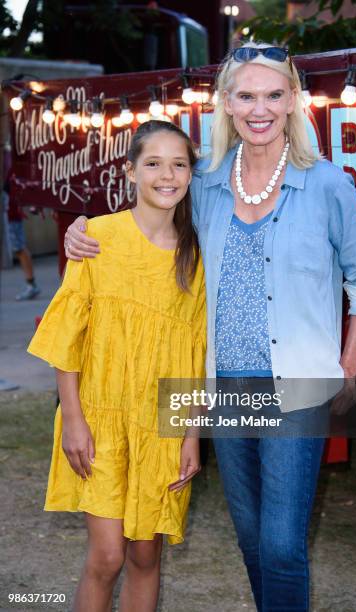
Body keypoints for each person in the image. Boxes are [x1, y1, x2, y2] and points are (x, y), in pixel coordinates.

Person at [64, 42, 356, 612]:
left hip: (298, 386)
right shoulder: (206, 182)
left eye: (272, 95)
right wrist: (82, 231)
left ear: (291, 102)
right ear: (227, 104)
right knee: (251, 536)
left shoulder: (329, 185)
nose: (259, 109)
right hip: (223, 388)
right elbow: (145, 225)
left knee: (283, 543)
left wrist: (348, 367)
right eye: (246, 96)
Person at [28, 120, 206, 612]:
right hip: (99, 420)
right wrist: (74, 422)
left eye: (179, 164)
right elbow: (68, 338)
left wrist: (190, 436)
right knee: (107, 557)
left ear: (191, 175)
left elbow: (192, 358)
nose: (166, 175)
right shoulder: (97, 238)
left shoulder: (195, 257)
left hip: (159, 428)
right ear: (130, 172)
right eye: (152, 163)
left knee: (146, 554)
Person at [4, 172, 41, 300]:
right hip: (10, 214)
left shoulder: (11, 171)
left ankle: (31, 284)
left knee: (19, 248)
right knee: (18, 248)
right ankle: (31, 284)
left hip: (11, 215)